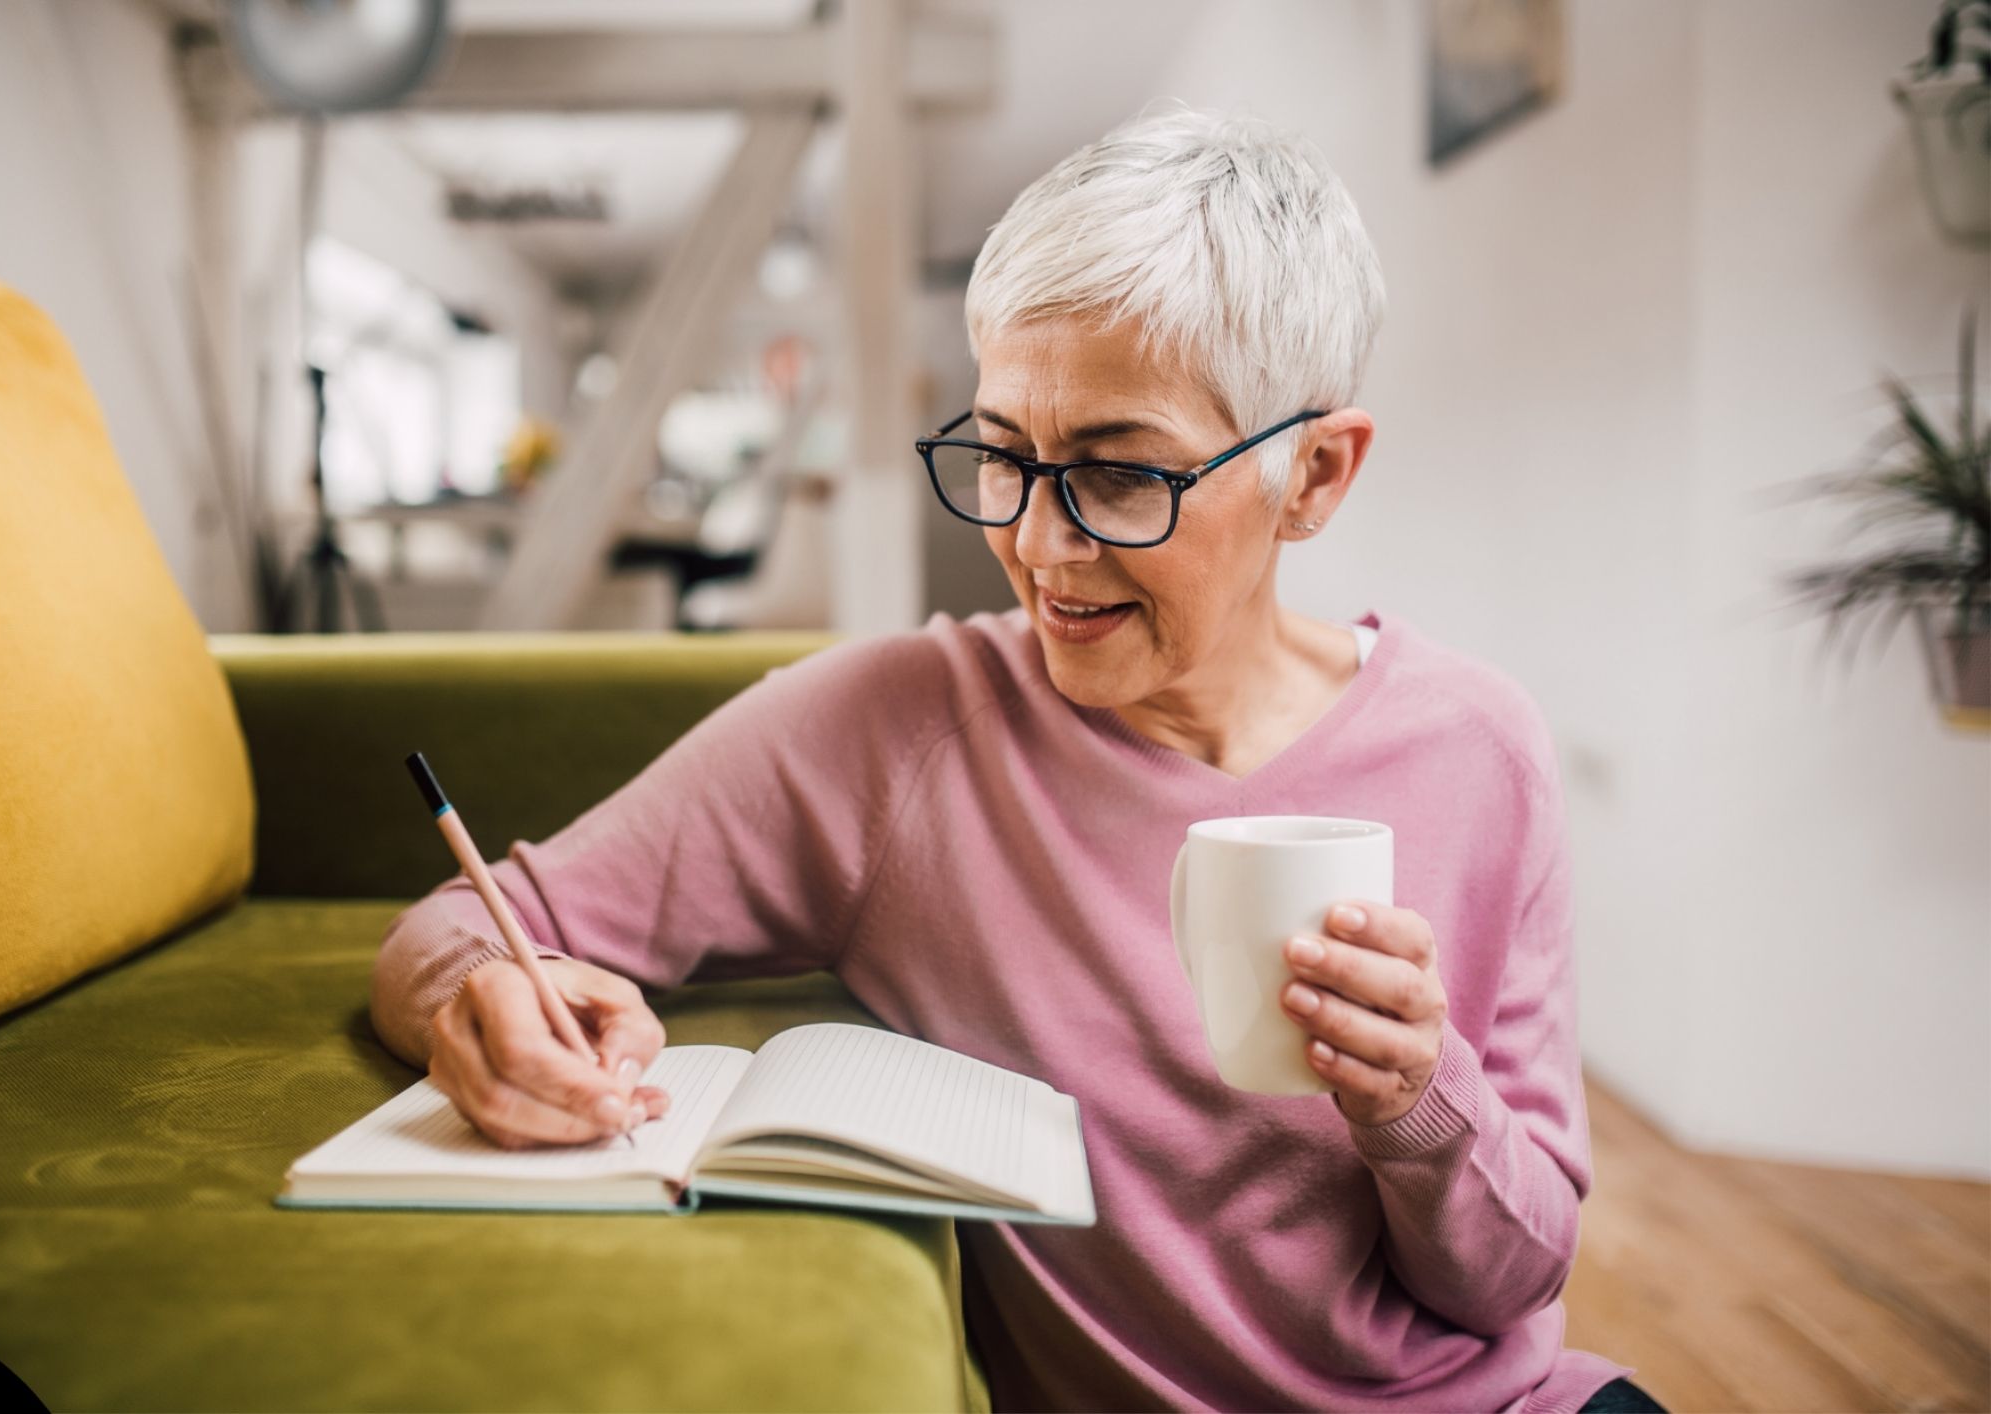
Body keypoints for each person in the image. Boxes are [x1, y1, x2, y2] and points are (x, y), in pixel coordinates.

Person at [371, 106, 1664, 1414]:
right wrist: (472, 1012)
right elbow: (469, 926)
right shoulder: (892, 732)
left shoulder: (1480, 748)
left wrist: (1420, 1101)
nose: (1040, 547)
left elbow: (1512, 1282)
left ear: (1316, 475)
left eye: (1117, 478)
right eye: (1002, 454)